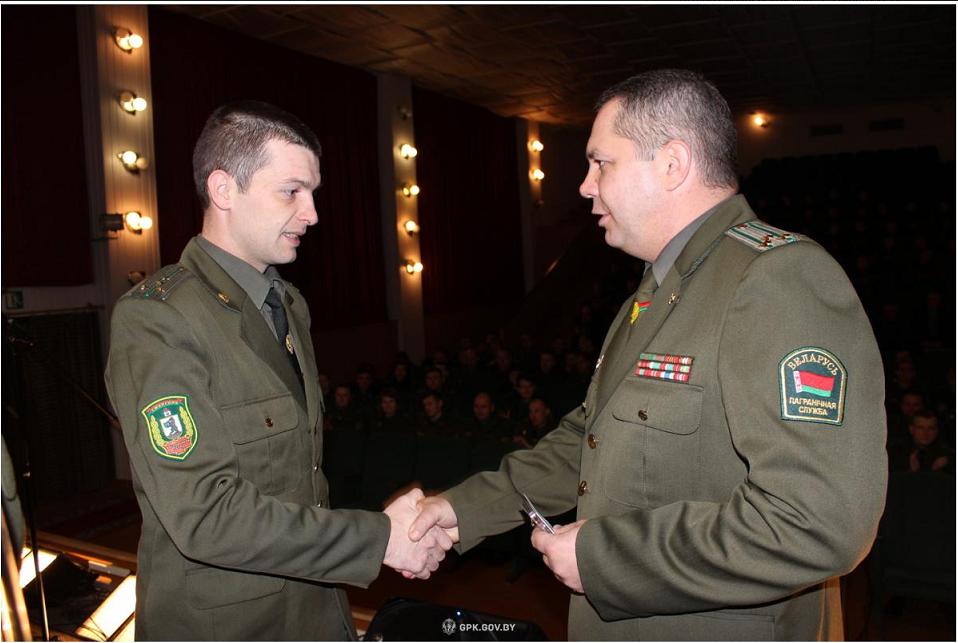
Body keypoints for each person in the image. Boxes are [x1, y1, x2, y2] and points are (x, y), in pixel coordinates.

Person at [411, 70, 887, 640]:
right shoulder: (655, 290)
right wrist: (461, 509)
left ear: (672, 164)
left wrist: (607, 557)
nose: (585, 186)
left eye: (601, 163)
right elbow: (591, 440)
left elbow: (818, 523)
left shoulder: (775, 278)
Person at [104, 100, 450, 641]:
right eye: (292, 191)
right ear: (224, 190)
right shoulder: (158, 318)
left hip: (313, 609)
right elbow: (206, 515)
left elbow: (300, 481)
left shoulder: (287, 304)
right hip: (229, 626)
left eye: (312, 192)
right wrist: (378, 539)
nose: (312, 214)